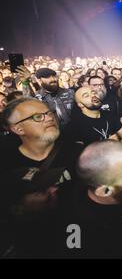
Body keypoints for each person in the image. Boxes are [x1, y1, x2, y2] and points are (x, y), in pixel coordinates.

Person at [0, 98, 81, 257]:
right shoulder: (5, 162)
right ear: (18, 129)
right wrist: (20, 208)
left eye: (49, 112)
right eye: (38, 117)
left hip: (75, 233)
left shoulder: (77, 152)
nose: (50, 118)